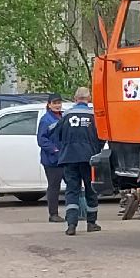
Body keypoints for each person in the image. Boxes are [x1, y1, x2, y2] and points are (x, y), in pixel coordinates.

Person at [50, 98, 103, 235]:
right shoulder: (93, 115)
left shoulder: (67, 115)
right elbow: (101, 136)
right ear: (89, 99)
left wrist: (64, 148)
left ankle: (71, 225)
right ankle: (91, 223)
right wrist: (96, 150)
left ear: (75, 99)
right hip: (88, 158)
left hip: (70, 157)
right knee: (91, 189)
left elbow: (56, 133)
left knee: (72, 190)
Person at [37, 96, 66, 223]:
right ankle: (53, 214)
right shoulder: (45, 120)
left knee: (72, 184)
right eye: (54, 103)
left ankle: (75, 212)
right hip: (52, 160)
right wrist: (54, 150)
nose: (57, 105)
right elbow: (42, 139)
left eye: (59, 103)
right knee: (54, 187)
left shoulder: (64, 117)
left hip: (65, 157)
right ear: (49, 105)